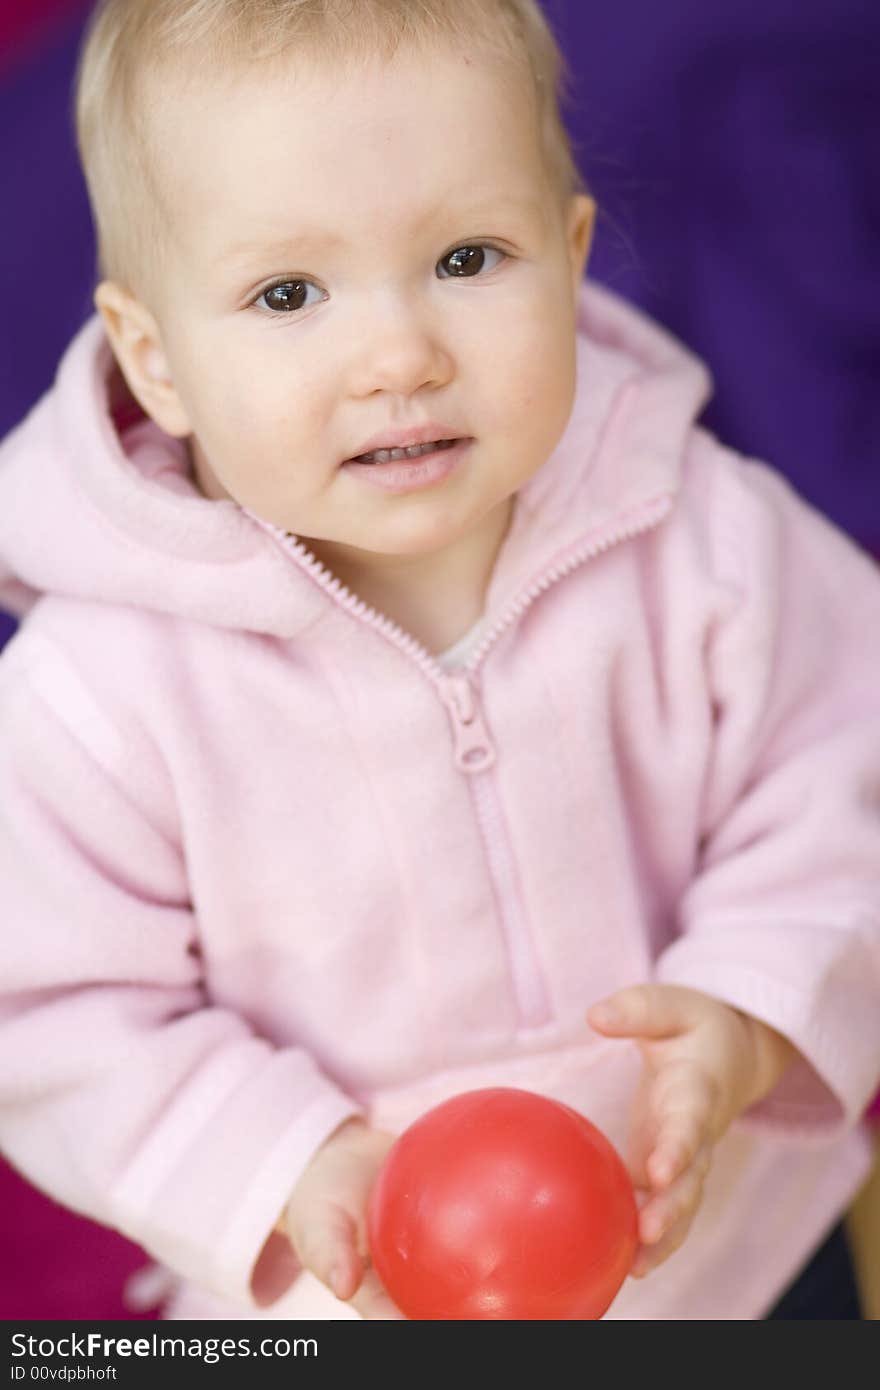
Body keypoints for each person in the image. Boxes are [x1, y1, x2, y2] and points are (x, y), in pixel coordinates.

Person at [0, 0, 878, 1322]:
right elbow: (52, 1003)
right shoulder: (102, 690)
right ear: (156, 358)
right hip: (346, 1283)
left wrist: (747, 1007)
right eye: (290, 293)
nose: (400, 354)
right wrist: (283, 1154)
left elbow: (841, 763)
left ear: (572, 260)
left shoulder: (707, 539)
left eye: (470, 258)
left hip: (726, 1252)